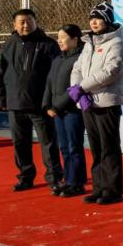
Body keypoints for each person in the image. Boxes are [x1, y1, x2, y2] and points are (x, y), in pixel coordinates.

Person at [0, 9, 63, 193]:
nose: (26, 25)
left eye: (29, 21)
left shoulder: (48, 44)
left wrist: (51, 101)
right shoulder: (9, 44)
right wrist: (1, 98)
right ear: (15, 24)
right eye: (22, 22)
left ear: (35, 21)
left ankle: (54, 179)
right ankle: (25, 177)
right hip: (15, 104)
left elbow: (56, 75)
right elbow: (0, 73)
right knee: (20, 143)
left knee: (48, 143)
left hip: (41, 105)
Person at [69, 3, 123, 205]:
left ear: (108, 20)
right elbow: (77, 67)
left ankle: (112, 190)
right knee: (95, 147)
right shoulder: (89, 42)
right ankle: (98, 188)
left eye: (99, 18)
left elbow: (112, 70)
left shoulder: (116, 42)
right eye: (92, 18)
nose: (94, 22)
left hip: (106, 103)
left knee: (109, 147)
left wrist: (82, 87)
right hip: (88, 103)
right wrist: (76, 89)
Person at [42, 24, 87, 197]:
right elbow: (49, 82)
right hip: (57, 112)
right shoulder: (58, 59)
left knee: (74, 147)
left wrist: (57, 106)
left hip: (72, 111)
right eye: (58, 37)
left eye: (63, 37)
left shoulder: (80, 58)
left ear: (75, 39)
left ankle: (77, 183)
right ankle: (68, 181)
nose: (59, 41)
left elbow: (76, 87)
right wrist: (47, 105)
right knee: (64, 148)